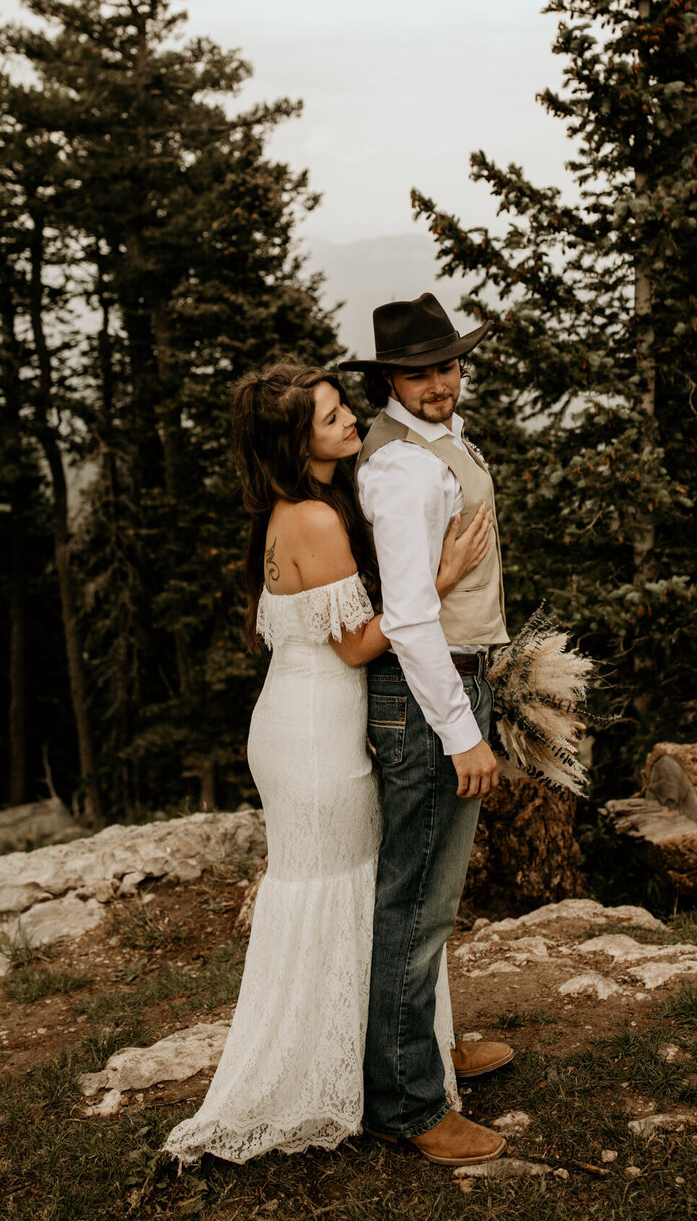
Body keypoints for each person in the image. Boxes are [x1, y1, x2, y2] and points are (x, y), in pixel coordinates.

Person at [163, 361, 491, 1165]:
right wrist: (438, 580)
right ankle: (355, 1082)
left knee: (361, 891)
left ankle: (406, 1053)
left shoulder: (305, 507)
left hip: (302, 718)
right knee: (351, 895)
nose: (351, 419)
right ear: (294, 441)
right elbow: (356, 647)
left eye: (345, 406)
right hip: (316, 732)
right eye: (331, 416)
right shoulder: (312, 518)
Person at [342, 293, 514, 1167]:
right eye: (421, 371)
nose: (441, 382)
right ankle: (406, 1105)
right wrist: (460, 732)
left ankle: (431, 1051)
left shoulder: (435, 440)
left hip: (453, 680)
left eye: (448, 365)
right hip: (428, 695)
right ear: (391, 382)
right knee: (412, 905)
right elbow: (408, 620)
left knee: (433, 900)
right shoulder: (401, 469)